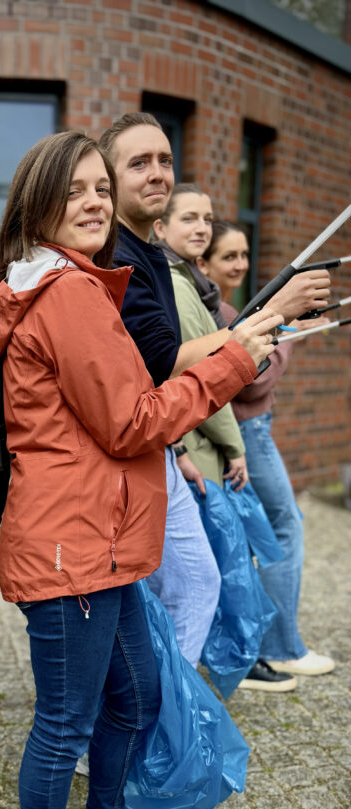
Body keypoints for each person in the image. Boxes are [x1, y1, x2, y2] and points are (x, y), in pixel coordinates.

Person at [0, 129, 280, 809]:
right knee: (64, 725)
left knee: (136, 695)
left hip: (99, 545)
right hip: (70, 552)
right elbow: (134, 421)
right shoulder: (70, 295)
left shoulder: (74, 285)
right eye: (74, 189)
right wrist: (233, 360)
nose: (93, 201)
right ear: (38, 204)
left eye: (99, 189)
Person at [98, 113, 330, 669]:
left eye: (165, 160)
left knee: (192, 587)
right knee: (172, 592)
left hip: (165, 450)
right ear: (109, 180)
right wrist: (274, 314)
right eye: (139, 163)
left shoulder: (149, 254)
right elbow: (167, 366)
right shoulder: (120, 260)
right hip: (141, 453)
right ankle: (137, 725)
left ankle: (157, 720)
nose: (158, 173)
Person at [198, 221, 336, 681]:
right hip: (247, 431)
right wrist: (288, 332)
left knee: (264, 531)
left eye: (243, 254)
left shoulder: (230, 307)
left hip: (251, 430)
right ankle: (280, 647)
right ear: (205, 262)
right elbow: (251, 379)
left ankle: (264, 643)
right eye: (228, 256)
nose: (239, 264)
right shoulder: (217, 311)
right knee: (285, 525)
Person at [153, 184, 248, 490]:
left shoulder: (191, 280)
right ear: (161, 228)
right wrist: (236, 448)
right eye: (189, 219)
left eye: (207, 220)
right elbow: (206, 371)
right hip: (197, 442)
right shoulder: (177, 285)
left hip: (199, 438)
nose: (202, 229)